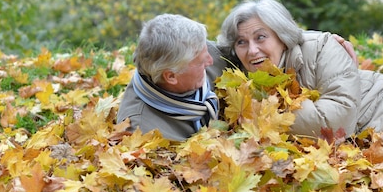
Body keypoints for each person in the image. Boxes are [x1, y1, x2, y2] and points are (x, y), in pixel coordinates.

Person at [217, 0, 383, 141]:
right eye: (241, 42)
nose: (252, 50)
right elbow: (199, 49)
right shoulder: (239, 73)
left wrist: (264, 114)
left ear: (282, 36)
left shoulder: (322, 48)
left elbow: (334, 123)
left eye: (261, 37)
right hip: (363, 143)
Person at [117, 13, 358, 141]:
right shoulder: (140, 130)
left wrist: (320, 44)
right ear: (171, 76)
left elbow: (258, 43)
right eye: (202, 62)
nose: (211, 61)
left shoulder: (203, 54)